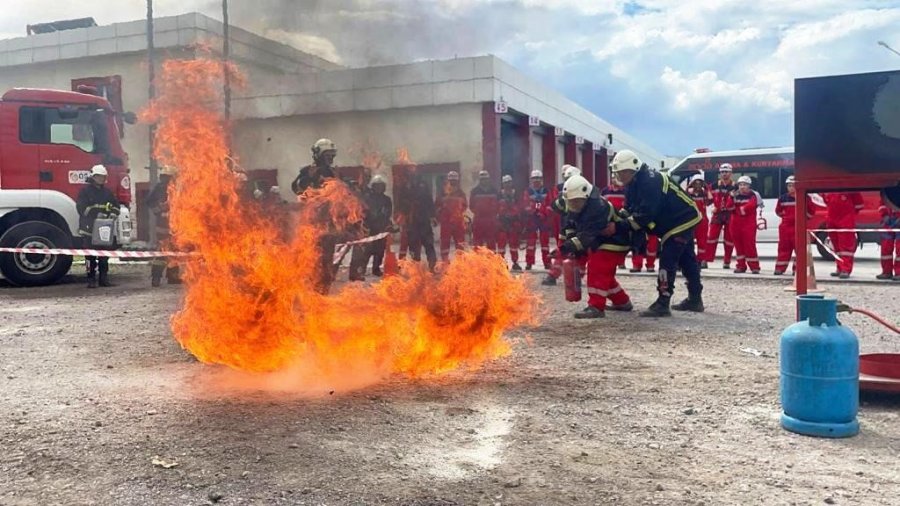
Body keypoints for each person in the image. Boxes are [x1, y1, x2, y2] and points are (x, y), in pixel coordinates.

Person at [612, 150, 703, 317]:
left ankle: (663, 302)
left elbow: (646, 214)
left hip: (681, 220)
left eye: (620, 172)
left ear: (630, 170)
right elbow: (630, 208)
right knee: (687, 258)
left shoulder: (649, 181)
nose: (618, 176)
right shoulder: (635, 182)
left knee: (668, 259)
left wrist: (620, 227)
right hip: (676, 220)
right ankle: (695, 299)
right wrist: (621, 217)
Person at [558, 175, 633, 319]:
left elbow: (587, 236)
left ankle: (596, 307)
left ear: (586, 196)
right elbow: (570, 228)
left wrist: (565, 249)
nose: (573, 205)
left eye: (576, 201)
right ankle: (622, 302)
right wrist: (570, 245)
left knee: (597, 268)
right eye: (571, 201)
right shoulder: (575, 206)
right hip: (600, 240)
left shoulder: (598, 207)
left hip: (616, 240)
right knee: (605, 275)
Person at [292, 138, 339, 293]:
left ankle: (324, 287)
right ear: (319, 154)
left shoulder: (333, 173)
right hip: (313, 221)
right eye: (328, 155)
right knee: (314, 256)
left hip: (328, 221)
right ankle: (314, 287)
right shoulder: (308, 171)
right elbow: (297, 187)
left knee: (327, 257)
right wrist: (309, 178)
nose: (330, 159)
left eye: (332, 155)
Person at [76, 164, 120, 288]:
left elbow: (116, 205)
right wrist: (96, 213)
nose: (101, 179)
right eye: (98, 176)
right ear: (93, 177)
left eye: (103, 177)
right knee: (90, 256)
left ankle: (103, 279)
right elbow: (81, 208)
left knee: (104, 255)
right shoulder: (85, 191)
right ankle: (91, 279)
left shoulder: (107, 192)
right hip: (88, 228)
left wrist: (113, 214)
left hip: (103, 228)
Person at [544, 165, 581, 285]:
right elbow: (555, 207)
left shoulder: (584, 191)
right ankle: (553, 275)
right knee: (561, 251)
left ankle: (576, 277)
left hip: (579, 230)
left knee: (579, 254)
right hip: (565, 227)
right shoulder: (561, 191)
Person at [146, 165, 182, 287]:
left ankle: (172, 276)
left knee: (175, 251)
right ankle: (156, 278)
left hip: (175, 225)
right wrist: (159, 211)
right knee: (162, 251)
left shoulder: (176, 188)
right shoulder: (160, 187)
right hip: (163, 225)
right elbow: (149, 201)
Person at [774, 175, 815, 275]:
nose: (791, 187)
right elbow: (778, 211)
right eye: (789, 185)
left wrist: (803, 218)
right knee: (783, 249)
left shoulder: (805, 197)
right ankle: (780, 268)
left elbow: (811, 211)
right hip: (785, 228)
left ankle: (797, 270)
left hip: (799, 227)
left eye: (793, 185)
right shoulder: (783, 198)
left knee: (800, 250)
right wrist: (786, 217)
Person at [824, 191, 864, 278]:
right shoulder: (828, 188)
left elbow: (859, 204)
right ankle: (839, 268)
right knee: (836, 246)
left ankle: (846, 269)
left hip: (846, 220)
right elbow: (827, 202)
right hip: (832, 219)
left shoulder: (850, 188)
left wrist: (849, 215)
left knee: (846, 247)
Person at [361, 174, 394, 277]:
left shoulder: (386, 199)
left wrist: (384, 221)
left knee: (380, 250)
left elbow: (388, 212)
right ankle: (361, 269)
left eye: (381, 186)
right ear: (373, 186)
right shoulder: (368, 198)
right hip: (369, 227)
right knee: (367, 250)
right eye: (377, 186)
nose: (379, 188)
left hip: (381, 227)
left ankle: (376, 268)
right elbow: (364, 211)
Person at [706, 163, 736, 268]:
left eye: (726, 172)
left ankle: (727, 261)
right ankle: (706, 260)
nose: (724, 174)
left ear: (731, 173)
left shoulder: (736, 186)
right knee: (711, 237)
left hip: (730, 214)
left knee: (729, 239)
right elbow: (707, 201)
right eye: (722, 172)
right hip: (717, 213)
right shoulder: (713, 186)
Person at [522, 170, 552, 271]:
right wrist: (534, 211)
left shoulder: (546, 191)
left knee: (545, 243)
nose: (536, 181)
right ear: (531, 180)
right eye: (534, 179)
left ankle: (547, 263)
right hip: (532, 219)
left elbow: (549, 204)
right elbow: (526, 205)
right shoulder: (528, 191)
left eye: (538, 179)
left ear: (541, 179)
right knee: (531, 243)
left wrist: (543, 213)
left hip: (543, 219)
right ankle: (529, 263)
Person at [407, 175, 438, 271]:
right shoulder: (406, 186)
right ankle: (416, 267)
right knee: (413, 244)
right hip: (412, 221)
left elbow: (429, 201)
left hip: (424, 219)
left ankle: (432, 265)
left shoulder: (423, 186)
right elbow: (401, 202)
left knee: (429, 243)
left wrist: (433, 216)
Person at [731, 176, 761, 274]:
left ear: (749, 186)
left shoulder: (753, 195)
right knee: (738, 246)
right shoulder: (734, 195)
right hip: (735, 224)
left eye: (745, 185)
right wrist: (731, 197)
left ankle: (754, 267)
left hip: (748, 224)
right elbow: (728, 207)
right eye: (740, 185)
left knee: (749, 245)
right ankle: (741, 266)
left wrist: (739, 210)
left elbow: (750, 207)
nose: (742, 187)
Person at [435, 171, 467, 262]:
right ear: (448, 180)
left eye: (455, 180)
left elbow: (465, 206)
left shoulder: (461, 193)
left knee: (460, 243)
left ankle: (460, 262)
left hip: (458, 222)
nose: (453, 182)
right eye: (451, 180)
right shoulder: (442, 193)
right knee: (445, 242)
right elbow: (437, 206)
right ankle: (445, 261)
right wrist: (441, 216)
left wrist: (458, 214)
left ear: (457, 181)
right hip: (446, 222)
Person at [600, 176, 627, 270]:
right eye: (613, 177)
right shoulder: (605, 191)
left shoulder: (625, 191)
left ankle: (621, 262)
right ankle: (612, 262)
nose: (615, 179)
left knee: (622, 242)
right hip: (609, 220)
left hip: (621, 220)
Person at [496, 175, 523, 271]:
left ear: (511, 183)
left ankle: (515, 263)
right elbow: (496, 207)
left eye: (509, 182)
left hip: (513, 222)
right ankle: (501, 263)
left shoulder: (516, 194)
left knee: (513, 245)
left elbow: (520, 206)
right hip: (502, 222)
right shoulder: (499, 194)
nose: (507, 185)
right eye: (505, 183)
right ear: (503, 184)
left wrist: (517, 218)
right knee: (501, 245)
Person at [686, 174, 713, 268]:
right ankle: (690, 260)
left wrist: (707, 188)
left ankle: (702, 260)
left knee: (702, 241)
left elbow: (710, 200)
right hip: (691, 220)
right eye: (695, 183)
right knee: (689, 241)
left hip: (702, 221)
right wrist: (687, 188)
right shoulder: (688, 193)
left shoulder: (705, 193)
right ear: (692, 183)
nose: (697, 185)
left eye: (700, 183)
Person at [469, 170, 500, 252]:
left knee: (491, 241)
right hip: (479, 220)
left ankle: (491, 261)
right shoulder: (474, 191)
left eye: (485, 179)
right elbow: (471, 205)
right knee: (477, 242)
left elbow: (498, 205)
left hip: (491, 220)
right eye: (482, 179)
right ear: (480, 180)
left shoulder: (494, 191)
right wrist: (478, 213)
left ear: (488, 179)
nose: (484, 181)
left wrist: (493, 214)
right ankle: (478, 262)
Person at [877, 196, 899, 280]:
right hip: (888, 220)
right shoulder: (888, 188)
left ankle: (898, 272)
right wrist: (884, 215)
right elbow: (882, 202)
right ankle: (886, 272)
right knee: (886, 248)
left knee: (899, 248)